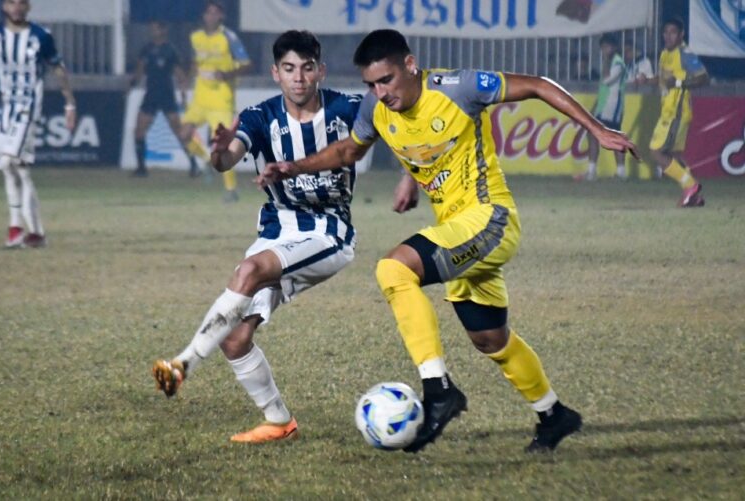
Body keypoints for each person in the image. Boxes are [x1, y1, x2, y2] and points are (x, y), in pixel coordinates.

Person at [258, 29, 636, 453]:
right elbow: (349, 151)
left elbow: (537, 85)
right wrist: (294, 167)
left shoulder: (460, 88)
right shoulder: (378, 110)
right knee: (490, 339)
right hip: (459, 233)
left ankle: (438, 391)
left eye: (386, 80)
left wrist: (598, 130)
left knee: (394, 269)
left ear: (410, 65)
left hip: (489, 219)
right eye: (371, 84)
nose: (380, 92)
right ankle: (554, 414)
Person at [152, 30, 364, 443]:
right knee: (234, 338)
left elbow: (383, 135)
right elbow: (227, 158)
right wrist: (219, 151)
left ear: (319, 70)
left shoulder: (347, 108)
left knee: (249, 269)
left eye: (306, 68)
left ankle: (184, 364)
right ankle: (278, 421)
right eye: (288, 69)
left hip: (327, 231)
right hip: (277, 229)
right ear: (275, 73)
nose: (298, 78)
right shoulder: (260, 116)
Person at [0, 0, 75, 248]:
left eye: (21, 3)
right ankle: (37, 233)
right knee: (15, 170)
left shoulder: (41, 36)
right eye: (11, 2)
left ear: (28, 7)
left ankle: (15, 228)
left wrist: (69, 103)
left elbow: (57, 69)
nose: (17, 8)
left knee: (12, 160)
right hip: (0, 110)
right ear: (4, 6)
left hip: (28, 107)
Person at [180, 0, 250, 198]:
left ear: (221, 16)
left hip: (221, 98)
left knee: (223, 145)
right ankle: (204, 160)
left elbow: (247, 64)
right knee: (184, 134)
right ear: (203, 16)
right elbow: (196, 62)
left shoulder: (229, 38)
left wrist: (227, 75)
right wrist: (186, 80)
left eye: (215, 13)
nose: (211, 16)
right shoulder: (196, 37)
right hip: (201, 98)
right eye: (208, 13)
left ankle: (231, 189)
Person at [638, 18, 709, 207]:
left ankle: (690, 186)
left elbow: (703, 78)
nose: (668, 36)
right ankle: (694, 195)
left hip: (675, 112)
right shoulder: (664, 54)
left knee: (656, 152)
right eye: (665, 32)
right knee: (675, 155)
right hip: (670, 110)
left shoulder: (685, 54)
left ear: (681, 34)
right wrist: (648, 80)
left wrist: (678, 84)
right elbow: (664, 79)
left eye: (673, 32)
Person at [129, 21, 197, 178]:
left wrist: (184, 92)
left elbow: (179, 74)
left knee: (178, 131)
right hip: (150, 95)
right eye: (151, 28)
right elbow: (139, 71)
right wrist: (132, 84)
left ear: (163, 29)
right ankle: (141, 168)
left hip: (166, 95)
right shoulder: (146, 49)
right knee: (139, 131)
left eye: (155, 28)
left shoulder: (170, 50)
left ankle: (193, 164)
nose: (152, 31)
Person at [580, 33, 627, 181]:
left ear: (614, 47)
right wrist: (595, 107)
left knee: (613, 137)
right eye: (602, 48)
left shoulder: (618, 64)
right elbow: (603, 89)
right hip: (604, 106)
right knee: (593, 134)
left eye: (606, 47)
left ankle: (620, 172)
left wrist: (606, 61)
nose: (604, 50)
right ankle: (592, 170)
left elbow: (607, 81)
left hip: (612, 107)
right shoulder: (611, 62)